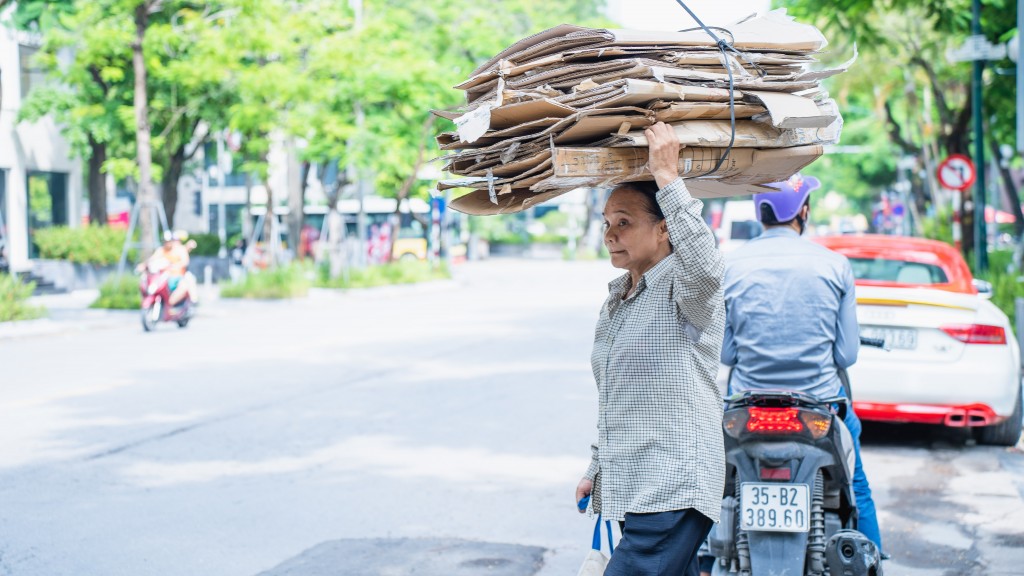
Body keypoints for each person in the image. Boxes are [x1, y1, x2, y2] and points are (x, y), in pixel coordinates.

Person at [575, 122, 726, 576]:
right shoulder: (616, 301)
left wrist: (668, 178)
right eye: (606, 223)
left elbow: (707, 268)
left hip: (674, 485)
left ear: (663, 230)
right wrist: (596, 467)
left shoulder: (686, 289)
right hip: (634, 484)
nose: (610, 234)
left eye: (624, 223)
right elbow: (616, 398)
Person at [716, 174, 883, 558]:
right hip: (821, 408)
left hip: (747, 408)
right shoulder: (835, 265)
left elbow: (726, 354)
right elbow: (846, 356)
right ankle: (870, 561)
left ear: (762, 213)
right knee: (856, 489)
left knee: (718, 484)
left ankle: (709, 557)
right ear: (803, 211)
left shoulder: (730, 265)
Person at [139, 231, 197, 306]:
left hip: (178, 276)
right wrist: (143, 265)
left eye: (169, 241)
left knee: (185, 284)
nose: (167, 244)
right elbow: (152, 259)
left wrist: (176, 265)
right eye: (165, 242)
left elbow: (185, 261)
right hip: (164, 277)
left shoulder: (179, 249)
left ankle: (180, 304)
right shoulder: (161, 250)